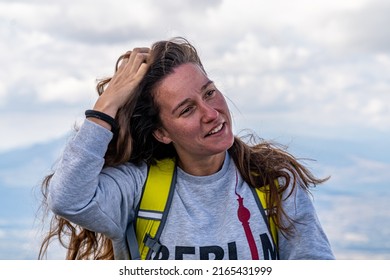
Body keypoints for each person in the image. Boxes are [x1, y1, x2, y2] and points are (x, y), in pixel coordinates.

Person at [39, 37, 335, 260]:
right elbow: (68, 199)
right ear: (162, 132)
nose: (211, 113)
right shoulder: (137, 189)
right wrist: (106, 107)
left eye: (209, 92)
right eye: (187, 109)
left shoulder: (273, 182)